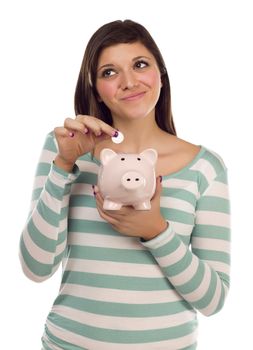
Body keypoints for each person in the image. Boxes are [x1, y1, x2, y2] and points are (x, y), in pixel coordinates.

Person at [19, 19, 231, 350]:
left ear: (160, 73)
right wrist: (62, 166)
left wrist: (157, 232)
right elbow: (36, 267)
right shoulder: (66, 149)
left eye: (140, 65)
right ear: (95, 88)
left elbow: (213, 299)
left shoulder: (205, 167)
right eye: (109, 72)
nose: (128, 82)